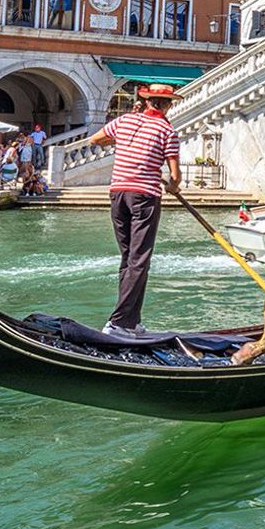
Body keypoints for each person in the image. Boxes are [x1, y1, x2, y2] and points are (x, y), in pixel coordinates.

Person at [88, 82, 182, 338]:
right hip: (144, 197)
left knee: (129, 258)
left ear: (147, 101)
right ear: (167, 105)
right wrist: (173, 186)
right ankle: (118, 323)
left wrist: (123, 143)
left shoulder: (124, 121)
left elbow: (96, 139)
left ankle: (131, 321)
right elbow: (175, 176)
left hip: (118, 193)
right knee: (139, 260)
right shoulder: (167, 131)